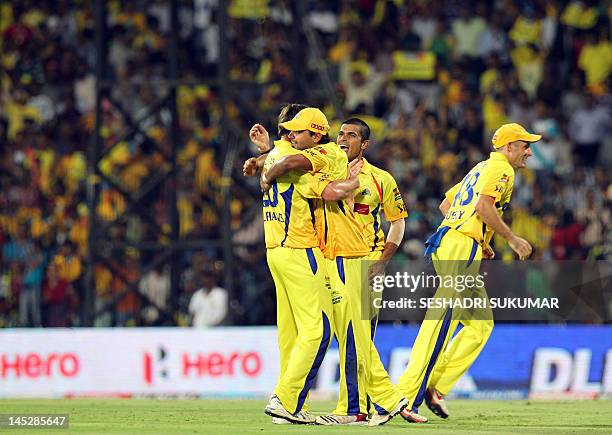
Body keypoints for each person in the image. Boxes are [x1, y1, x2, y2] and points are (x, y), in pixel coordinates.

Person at [261, 118, 415, 426]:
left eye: (352, 135)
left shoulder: (381, 178)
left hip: (364, 262)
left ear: (364, 144)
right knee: (329, 334)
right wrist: (265, 154)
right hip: (327, 261)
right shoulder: (323, 168)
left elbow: (397, 222)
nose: (343, 138)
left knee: (355, 336)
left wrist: (383, 261)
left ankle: (356, 409)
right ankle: (299, 404)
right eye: (341, 133)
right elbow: (289, 163)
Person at [395, 123, 536, 420]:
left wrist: (478, 237)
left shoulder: (481, 167)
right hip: (460, 248)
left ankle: (436, 386)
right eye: (524, 145)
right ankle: (406, 396)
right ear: (509, 147)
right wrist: (511, 239)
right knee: (440, 323)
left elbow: (448, 204)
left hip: (452, 242)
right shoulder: (503, 170)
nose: (529, 151)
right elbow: (484, 206)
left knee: (480, 324)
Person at [249, 105, 363, 424]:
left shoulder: (283, 155)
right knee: (317, 331)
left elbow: (285, 158)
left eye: (296, 130)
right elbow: (323, 186)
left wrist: (263, 157)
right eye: (290, 131)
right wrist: (351, 186)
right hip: (301, 249)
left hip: (275, 251)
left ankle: (291, 407)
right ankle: (285, 400)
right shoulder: (307, 160)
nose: (291, 135)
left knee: (291, 333)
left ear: (315, 134)